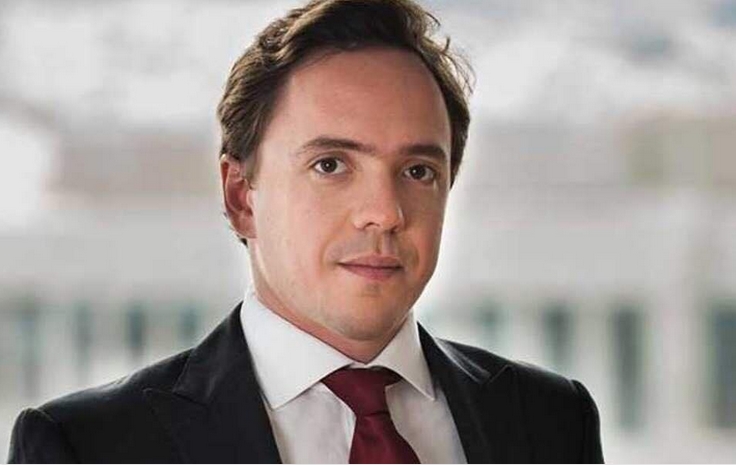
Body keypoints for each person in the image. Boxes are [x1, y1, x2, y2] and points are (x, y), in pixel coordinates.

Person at [8, 0, 604, 463]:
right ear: (241, 196)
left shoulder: (551, 421)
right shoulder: (88, 447)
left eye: (418, 171)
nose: (385, 212)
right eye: (331, 165)